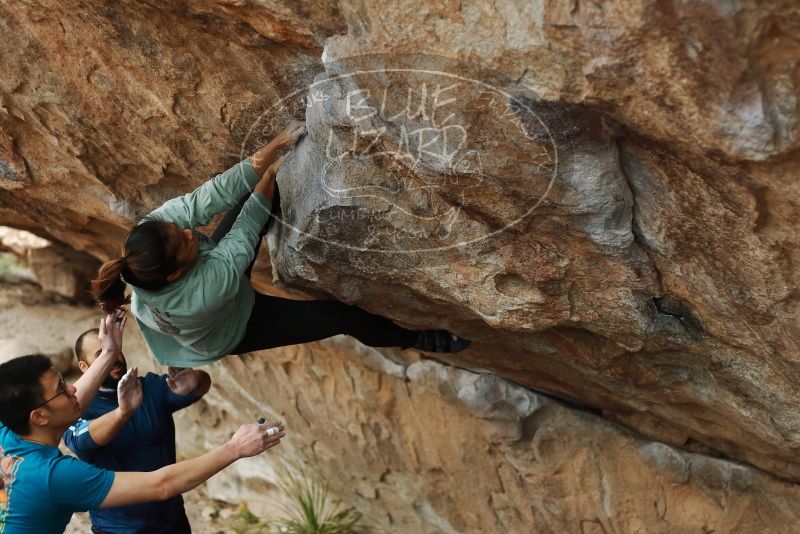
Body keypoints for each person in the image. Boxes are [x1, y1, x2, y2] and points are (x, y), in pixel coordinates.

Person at [89, 120, 469, 369]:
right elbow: (246, 230)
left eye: (180, 229)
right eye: (183, 240)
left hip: (196, 294)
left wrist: (276, 145)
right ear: (173, 272)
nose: (188, 231)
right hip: (235, 326)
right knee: (344, 318)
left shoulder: (148, 238)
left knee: (243, 200)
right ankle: (414, 338)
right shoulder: (207, 289)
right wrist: (272, 173)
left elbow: (209, 197)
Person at [0, 311, 285, 534]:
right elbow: (160, 485)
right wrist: (235, 448)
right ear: (39, 417)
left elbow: (73, 401)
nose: (73, 388)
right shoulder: (55, 476)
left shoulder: (6, 428)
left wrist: (110, 352)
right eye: (62, 389)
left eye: (65, 381)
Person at [64, 327, 212, 534]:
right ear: (84, 366)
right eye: (103, 354)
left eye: (116, 350)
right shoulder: (73, 409)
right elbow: (82, 438)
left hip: (172, 520)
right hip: (116, 528)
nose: (114, 358)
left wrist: (197, 380)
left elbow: (201, 387)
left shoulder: (148, 387)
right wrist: (123, 412)